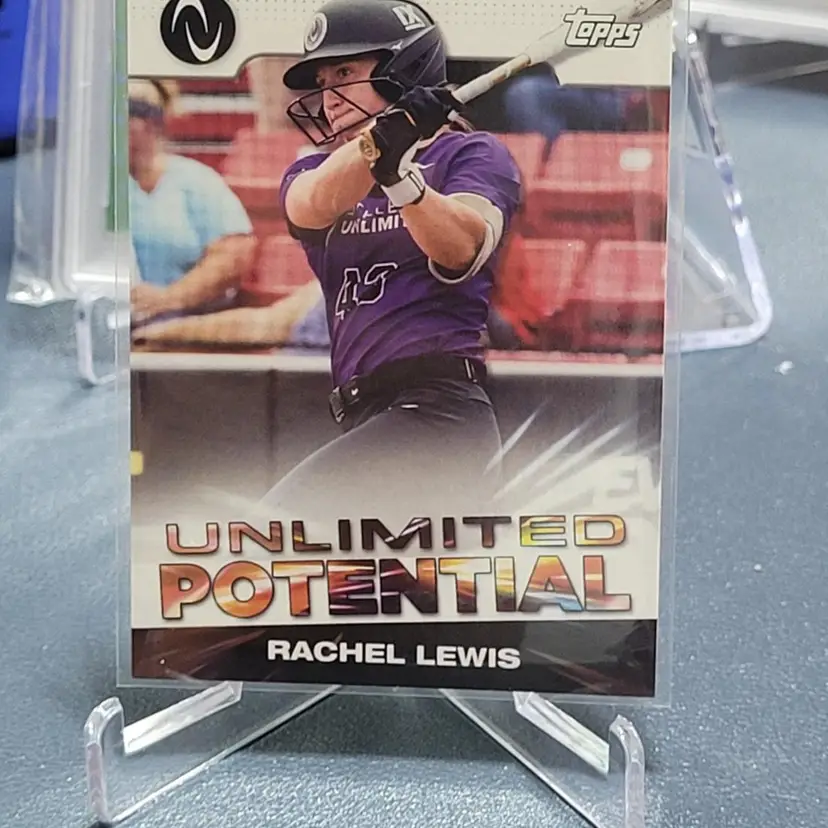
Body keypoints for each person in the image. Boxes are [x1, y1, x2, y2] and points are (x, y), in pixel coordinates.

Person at [262, 0, 521, 519]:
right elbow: (309, 205)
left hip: (439, 414)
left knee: (271, 532)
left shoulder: (471, 154)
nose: (327, 99)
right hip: (367, 414)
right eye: (321, 81)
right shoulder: (317, 169)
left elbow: (463, 248)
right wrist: (380, 146)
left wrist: (401, 180)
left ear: (402, 70)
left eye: (344, 74)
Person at [127, 79, 257, 323]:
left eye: (139, 112)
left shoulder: (196, 181)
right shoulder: (90, 184)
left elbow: (234, 253)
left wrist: (168, 298)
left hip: (180, 322)